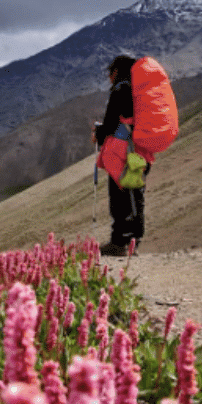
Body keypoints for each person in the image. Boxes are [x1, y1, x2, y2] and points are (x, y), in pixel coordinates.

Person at [92, 55, 148, 257]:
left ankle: (119, 243)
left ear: (116, 71)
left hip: (123, 152)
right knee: (135, 194)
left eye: (109, 72)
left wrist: (97, 133)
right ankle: (134, 241)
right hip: (140, 151)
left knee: (119, 195)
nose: (108, 76)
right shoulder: (139, 91)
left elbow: (109, 124)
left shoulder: (120, 89)